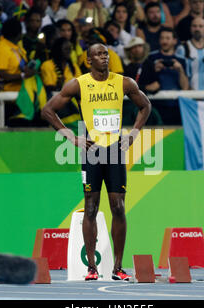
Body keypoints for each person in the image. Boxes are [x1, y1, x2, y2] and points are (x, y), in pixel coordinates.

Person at [41, 43, 151, 281]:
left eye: (106, 54)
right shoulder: (78, 84)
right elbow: (48, 110)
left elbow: (145, 106)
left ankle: (118, 267)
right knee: (90, 207)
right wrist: (70, 135)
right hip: (91, 151)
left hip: (114, 150)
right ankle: (92, 267)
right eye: (98, 55)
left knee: (118, 208)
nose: (104, 57)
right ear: (88, 60)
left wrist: (133, 133)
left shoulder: (124, 82)